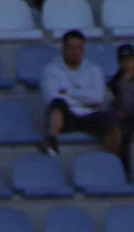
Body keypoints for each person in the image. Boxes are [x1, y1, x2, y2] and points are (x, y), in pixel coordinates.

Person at [39, 30, 122, 159]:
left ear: (83, 50)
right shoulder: (51, 69)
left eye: (78, 48)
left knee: (112, 121)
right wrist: (84, 97)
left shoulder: (94, 69)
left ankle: (111, 161)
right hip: (67, 116)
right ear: (63, 48)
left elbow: (97, 98)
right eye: (71, 47)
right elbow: (52, 98)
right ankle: (52, 142)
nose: (74, 51)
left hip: (90, 114)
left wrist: (67, 92)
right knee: (57, 105)